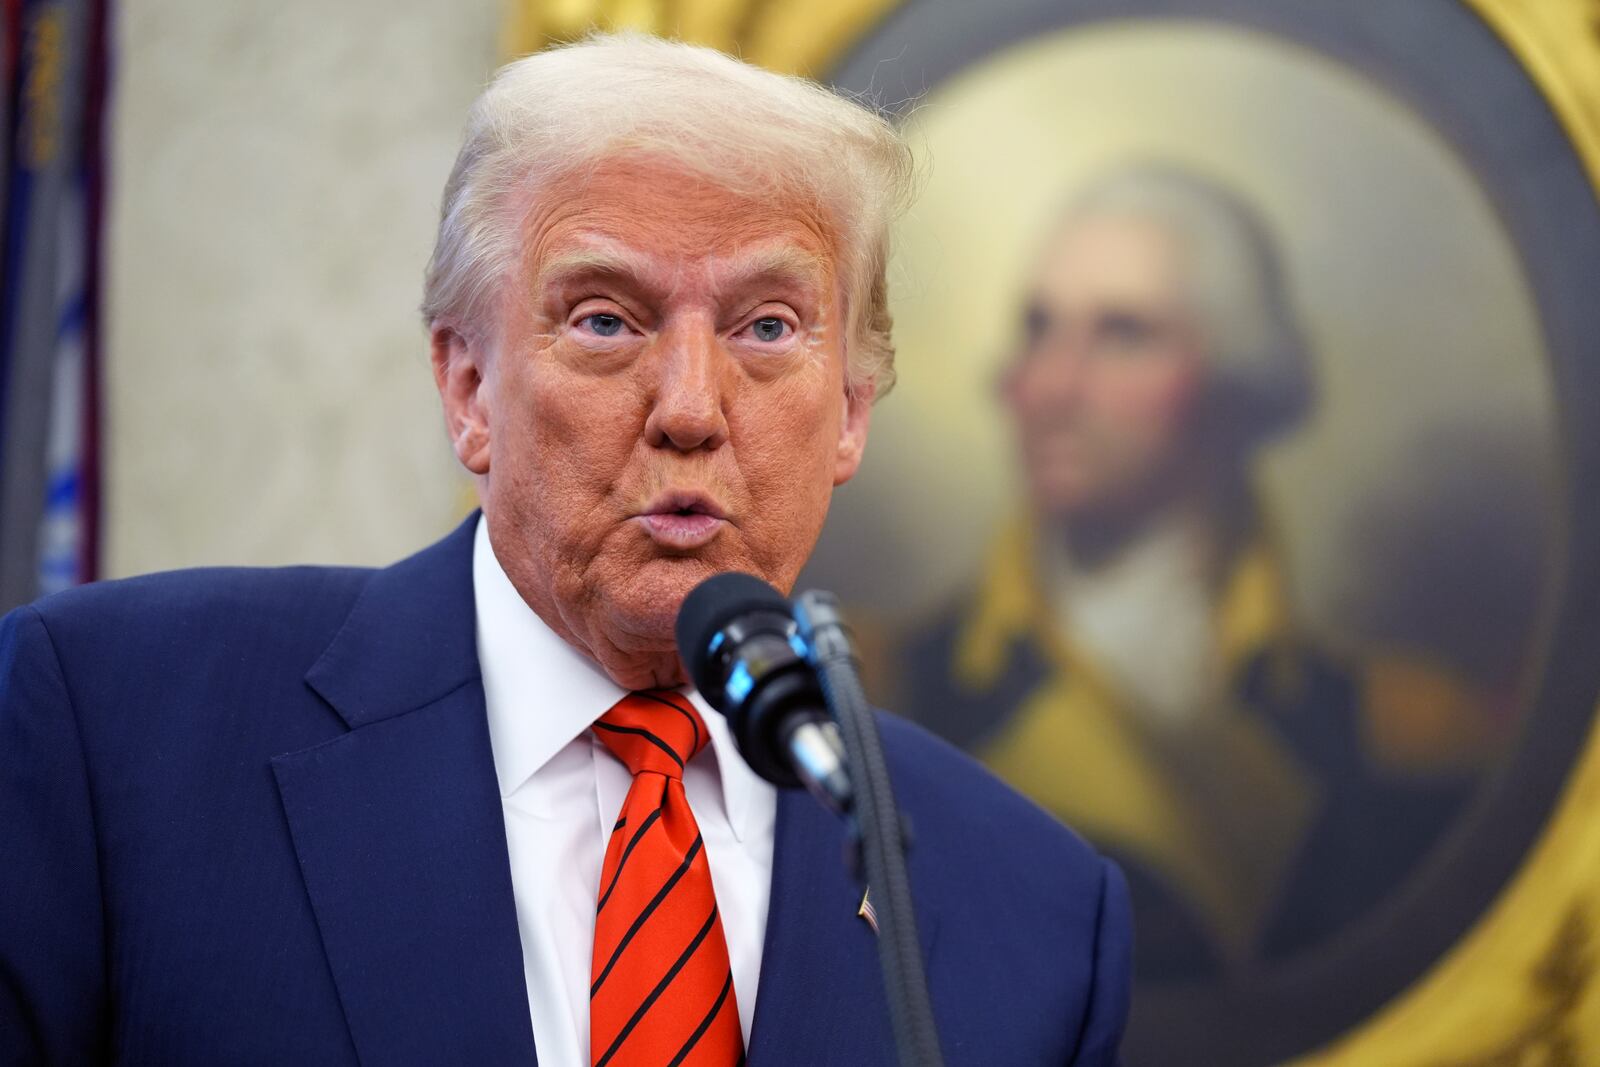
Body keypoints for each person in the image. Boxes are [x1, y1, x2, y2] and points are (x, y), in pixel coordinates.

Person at [0, 34, 1130, 1066]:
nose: (691, 407)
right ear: (467, 384)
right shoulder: (113, 730)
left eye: (767, 327)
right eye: (605, 318)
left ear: (848, 412)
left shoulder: (1032, 912)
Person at [902, 165, 1491, 981]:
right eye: (1039, 328)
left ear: (1233, 379)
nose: (1050, 385)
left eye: (1124, 334)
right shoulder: (889, 688)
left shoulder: (1400, 730)